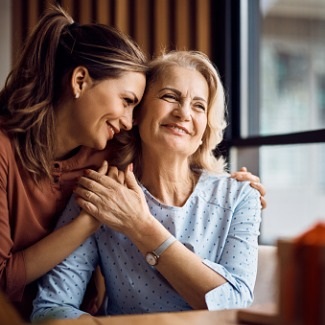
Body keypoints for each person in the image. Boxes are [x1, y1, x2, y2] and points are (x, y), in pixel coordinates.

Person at [31, 50, 262, 321]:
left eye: (199, 105)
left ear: (205, 129)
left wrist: (141, 226)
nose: (184, 113)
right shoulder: (103, 194)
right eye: (169, 97)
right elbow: (50, 309)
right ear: (137, 113)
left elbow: (235, 304)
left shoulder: (240, 197)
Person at [0, 5, 147, 321]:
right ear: (80, 80)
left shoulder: (112, 155)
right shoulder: (2, 150)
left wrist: (238, 186)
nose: (128, 122)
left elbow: (181, 172)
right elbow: (2, 278)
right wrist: (88, 222)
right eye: (126, 102)